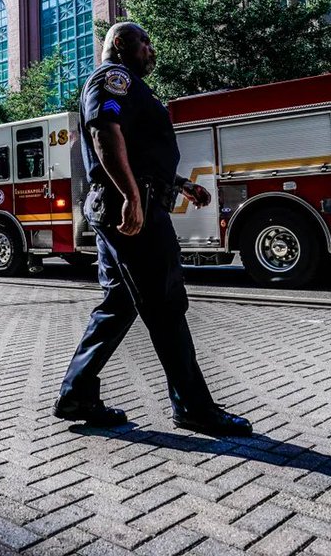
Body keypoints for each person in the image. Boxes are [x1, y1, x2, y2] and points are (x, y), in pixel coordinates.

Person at [54, 23, 252, 437]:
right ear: (122, 45)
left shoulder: (131, 87)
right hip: (129, 208)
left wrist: (179, 184)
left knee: (118, 304)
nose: (151, 49)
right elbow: (104, 133)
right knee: (166, 305)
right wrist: (132, 196)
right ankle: (194, 408)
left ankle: (77, 394)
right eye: (145, 41)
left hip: (121, 202)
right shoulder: (115, 78)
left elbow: (140, 152)